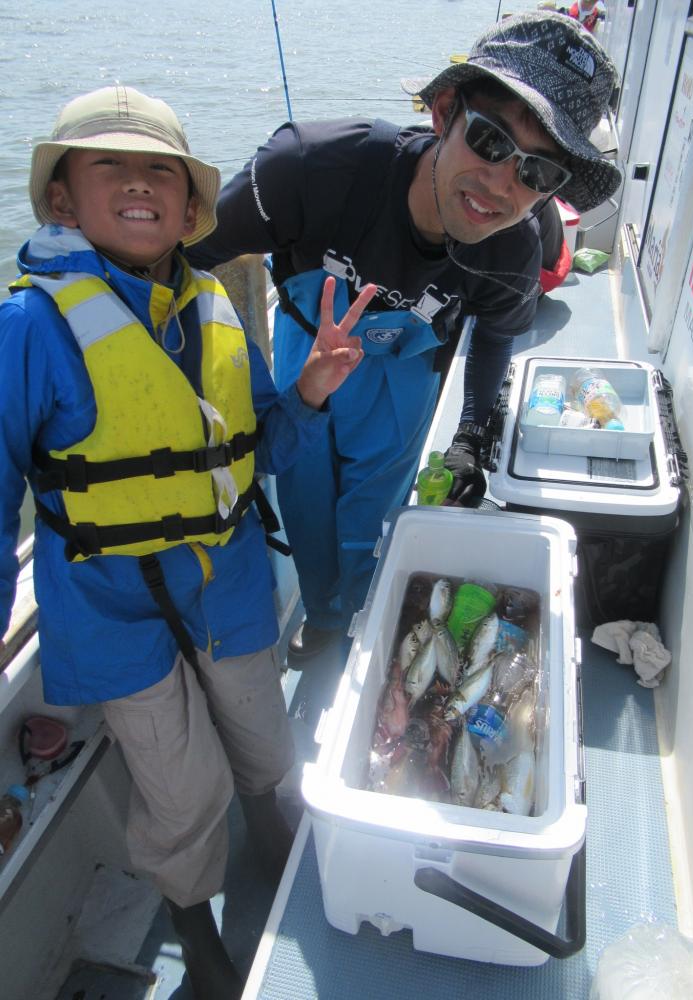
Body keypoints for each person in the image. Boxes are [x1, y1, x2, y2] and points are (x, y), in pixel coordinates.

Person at [0, 85, 375, 1000]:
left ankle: (273, 830)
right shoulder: (28, 327)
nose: (140, 184)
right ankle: (192, 920)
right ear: (63, 198)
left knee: (266, 745)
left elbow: (262, 450)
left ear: (189, 204)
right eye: (111, 166)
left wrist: (311, 391)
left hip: (230, 581)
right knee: (181, 787)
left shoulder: (215, 306)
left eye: (160, 171)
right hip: (110, 605)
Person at [188, 12, 622, 666]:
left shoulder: (513, 251)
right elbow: (184, 262)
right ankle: (323, 612)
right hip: (307, 352)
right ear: (444, 112)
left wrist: (470, 436)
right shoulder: (308, 169)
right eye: (491, 140)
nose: (502, 185)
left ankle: (358, 614)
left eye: (538, 173)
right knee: (305, 501)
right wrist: (224, 387)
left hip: (406, 374)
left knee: (375, 514)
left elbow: (495, 341)